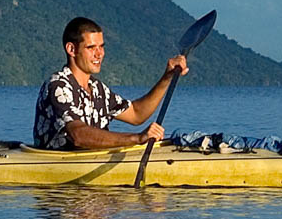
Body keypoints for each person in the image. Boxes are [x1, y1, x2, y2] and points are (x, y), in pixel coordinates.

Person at [33, 17, 189, 150]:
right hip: (57, 163)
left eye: (101, 47)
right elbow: (78, 135)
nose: (99, 54)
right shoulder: (58, 86)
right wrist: (137, 138)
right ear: (71, 49)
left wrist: (167, 77)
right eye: (91, 48)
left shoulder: (97, 89)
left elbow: (136, 114)